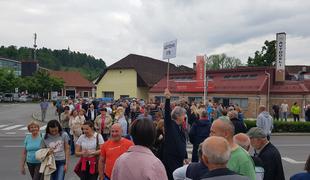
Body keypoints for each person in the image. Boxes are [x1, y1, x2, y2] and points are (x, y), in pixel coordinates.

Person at [162, 88, 188, 180]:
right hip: (170, 160)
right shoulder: (170, 125)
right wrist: (168, 99)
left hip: (178, 160)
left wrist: (185, 156)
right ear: (177, 116)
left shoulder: (180, 127)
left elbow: (182, 141)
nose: (184, 117)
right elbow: (166, 114)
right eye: (183, 115)